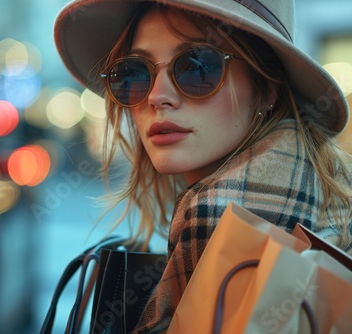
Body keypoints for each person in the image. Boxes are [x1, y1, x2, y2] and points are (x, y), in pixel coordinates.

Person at [54, 0, 352, 332]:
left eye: (197, 67)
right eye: (135, 73)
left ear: (268, 88)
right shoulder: (321, 214)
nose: (157, 96)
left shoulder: (219, 222)